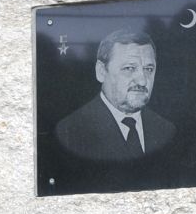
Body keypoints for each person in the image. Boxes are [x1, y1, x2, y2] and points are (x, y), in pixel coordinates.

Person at [54, 28, 177, 164]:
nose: (142, 81)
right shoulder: (70, 132)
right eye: (129, 68)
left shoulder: (166, 130)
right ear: (101, 72)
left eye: (148, 69)